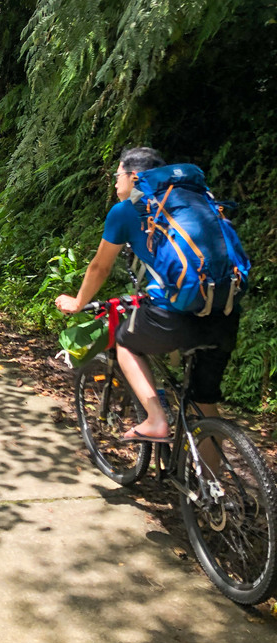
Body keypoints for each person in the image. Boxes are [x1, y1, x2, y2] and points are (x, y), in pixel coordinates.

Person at [55, 147, 240, 442]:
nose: (115, 183)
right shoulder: (196, 202)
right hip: (225, 309)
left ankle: (156, 419)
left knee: (126, 344)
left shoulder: (127, 211)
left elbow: (100, 267)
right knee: (205, 405)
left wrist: (78, 303)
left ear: (134, 176)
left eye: (118, 175)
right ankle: (212, 486)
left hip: (174, 314)